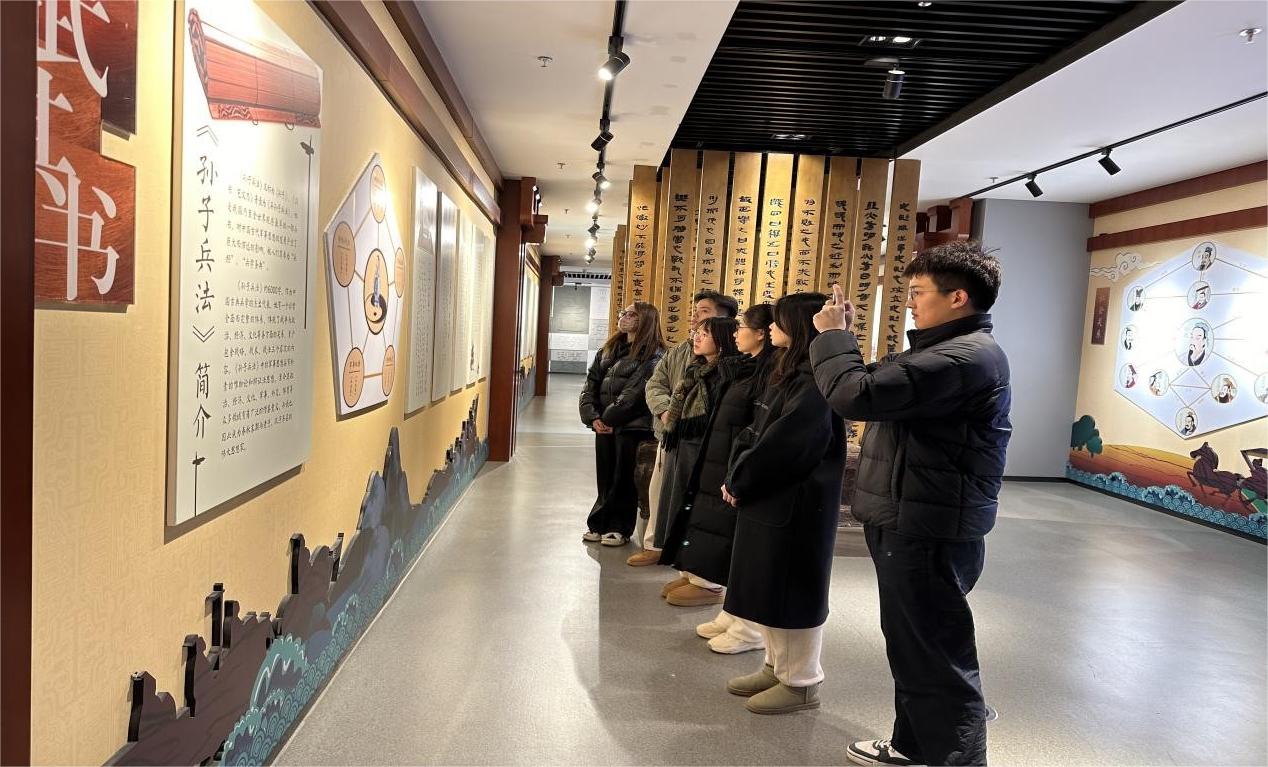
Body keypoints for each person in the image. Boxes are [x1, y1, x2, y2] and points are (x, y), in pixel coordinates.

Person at [810, 241, 1011, 766]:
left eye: (919, 292)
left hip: (926, 523)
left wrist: (832, 338)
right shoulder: (941, 352)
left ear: (958, 297)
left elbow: (856, 395)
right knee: (914, 645)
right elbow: (872, 383)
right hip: (914, 514)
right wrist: (841, 340)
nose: (910, 302)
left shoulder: (962, 358)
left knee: (936, 654)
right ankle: (912, 745)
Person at [720, 292, 845, 715]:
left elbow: (787, 444)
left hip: (795, 501)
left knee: (791, 587)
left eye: (779, 320)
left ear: (801, 327)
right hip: (769, 495)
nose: (771, 326)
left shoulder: (815, 380)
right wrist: (738, 475)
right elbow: (757, 432)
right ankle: (776, 667)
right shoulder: (788, 370)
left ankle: (801, 682)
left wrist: (743, 478)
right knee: (768, 583)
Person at [664, 304, 777, 653]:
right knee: (718, 531)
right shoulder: (742, 368)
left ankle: (747, 625)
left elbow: (755, 429)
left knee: (737, 543)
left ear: (761, 333)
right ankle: (732, 612)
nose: (736, 332)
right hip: (721, 459)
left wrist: (738, 470)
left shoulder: (768, 372)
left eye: (742, 326)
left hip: (735, 464)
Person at [629, 291, 739, 577]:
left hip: (700, 442)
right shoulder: (680, 351)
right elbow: (655, 384)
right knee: (661, 494)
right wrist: (665, 411)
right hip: (670, 434)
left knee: (690, 500)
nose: (694, 316)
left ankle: (688, 564)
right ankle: (656, 546)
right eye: (695, 310)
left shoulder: (731, 366)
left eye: (703, 312)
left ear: (723, 320)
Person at [654, 317, 740, 606]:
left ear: (723, 339)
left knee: (703, 515)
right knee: (681, 507)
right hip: (685, 447)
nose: (696, 337)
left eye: (705, 333)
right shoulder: (697, 370)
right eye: (696, 332)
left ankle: (708, 583)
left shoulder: (727, 374)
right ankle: (690, 572)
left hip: (708, 452)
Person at [579, 302, 665, 546]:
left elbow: (635, 393)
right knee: (605, 476)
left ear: (645, 320)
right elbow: (590, 385)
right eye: (623, 313)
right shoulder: (609, 349)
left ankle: (619, 527)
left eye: (631, 315)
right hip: (604, 425)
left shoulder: (654, 353)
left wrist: (608, 419)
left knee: (623, 478)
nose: (624, 317)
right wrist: (593, 417)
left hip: (632, 426)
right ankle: (599, 523)